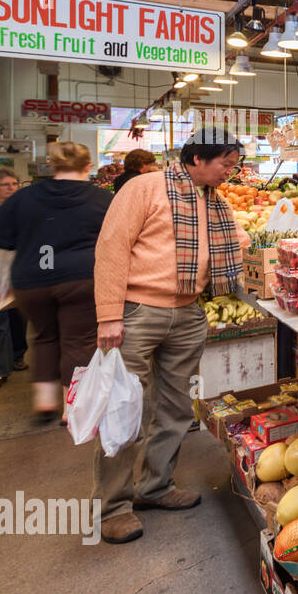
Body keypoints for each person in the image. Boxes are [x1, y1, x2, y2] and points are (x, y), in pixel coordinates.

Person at [92, 129, 251, 544]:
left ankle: (155, 487)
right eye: (226, 163)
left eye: (234, 165)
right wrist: (108, 315)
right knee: (126, 409)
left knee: (177, 407)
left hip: (188, 312)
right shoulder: (145, 188)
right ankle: (113, 508)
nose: (230, 172)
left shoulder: (214, 201)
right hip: (138, 312)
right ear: (197, 158)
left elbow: (225, 245)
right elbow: (111, 248)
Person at [0, 142, 112, 424]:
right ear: (88, 166)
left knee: (44, 337)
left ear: (52, 165)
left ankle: (45, 402)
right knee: (79, 342)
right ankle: (71, 409)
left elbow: (3, 236)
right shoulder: (101, 198)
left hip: (31, 279)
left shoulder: (24, 197)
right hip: (82, 279)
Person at [0, 166, 27, 384]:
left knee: (18, 315)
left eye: (15, 184)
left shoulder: (22, 208)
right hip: (0, 268)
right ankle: (4, 365)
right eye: (6, 185)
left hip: (19, 267)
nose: (11, 188)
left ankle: (18, 355)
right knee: (2, 316)